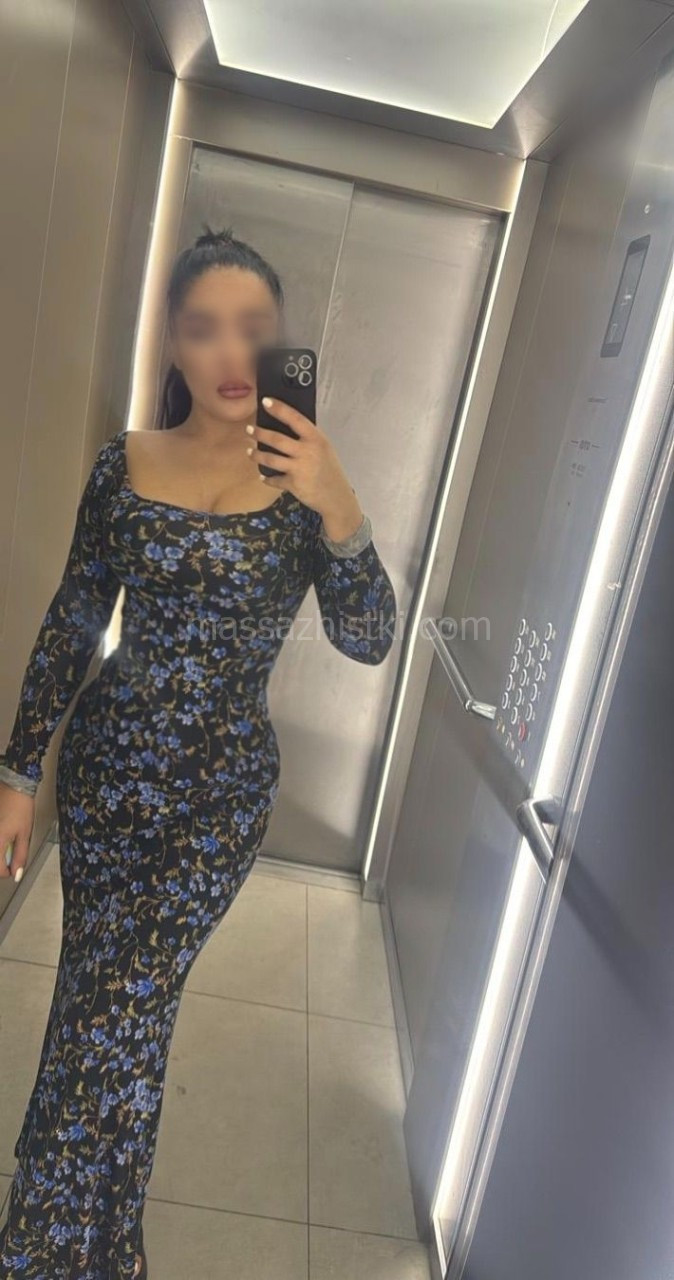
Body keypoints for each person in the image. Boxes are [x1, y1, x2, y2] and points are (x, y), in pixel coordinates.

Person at [0, 225, 397, 1278]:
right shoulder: (124, 463)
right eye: (204, 327)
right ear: (173, 344)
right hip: (106, 780)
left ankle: (38, 1245)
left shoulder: (307, 489)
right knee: (110, 1003)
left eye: (253, 328)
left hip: (217, 801)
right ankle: (105, 1247)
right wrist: (19, 770)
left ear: (279, 342)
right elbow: (73, 618)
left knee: (118, 1000)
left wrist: (342, 503)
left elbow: (369, 638)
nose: (231, 351)